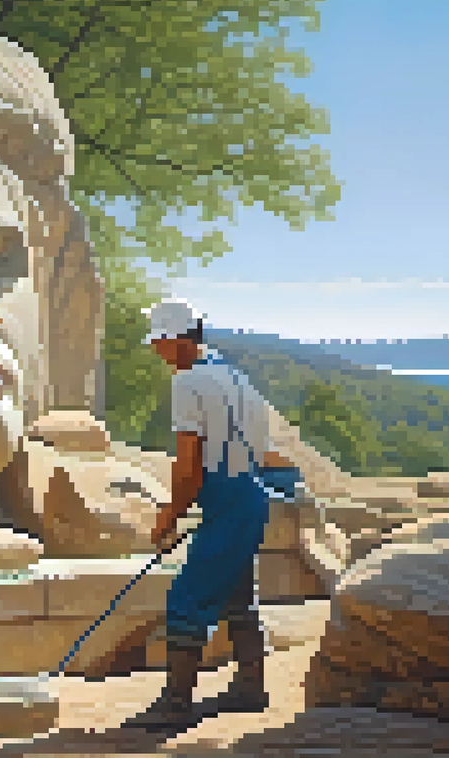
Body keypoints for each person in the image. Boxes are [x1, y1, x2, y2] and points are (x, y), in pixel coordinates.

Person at [129, 299, 295, 731]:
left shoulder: (187, 383)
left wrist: (169, 513)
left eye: (160, 343)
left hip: (229, 501)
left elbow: (189, 462)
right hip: (250, 497)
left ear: (177, 340)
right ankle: (250, 688)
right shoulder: (234, 377)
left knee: (187, 599)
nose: (157, 352)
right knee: (238, 596)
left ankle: (175, 706)